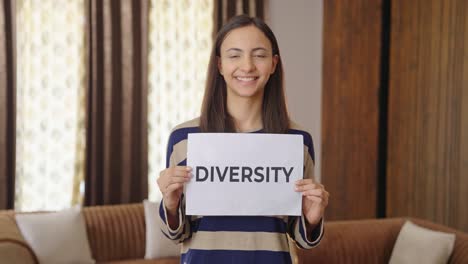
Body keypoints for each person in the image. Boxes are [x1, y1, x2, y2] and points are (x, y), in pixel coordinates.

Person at [156, 14, 329, 264]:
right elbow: (178, 233)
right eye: (234, 55)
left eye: (259, 55)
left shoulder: (297, 140)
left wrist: (312, 218)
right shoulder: (184, 138)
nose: (247, 66)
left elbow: (301, 237)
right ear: (219, 65)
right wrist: (170, 205)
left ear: (273, 64)